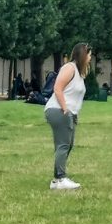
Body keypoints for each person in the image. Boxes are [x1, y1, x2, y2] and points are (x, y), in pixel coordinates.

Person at [44, 43, 91, 190]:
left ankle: (57, 180)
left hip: (70, 112)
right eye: (89, 54)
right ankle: (60, 178)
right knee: (63, 145)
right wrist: (65, 109)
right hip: (58, 110)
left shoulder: (80, 72)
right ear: (83, 54)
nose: (90, 58)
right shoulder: (69, 68)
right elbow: (57, 88)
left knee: (67, 145)